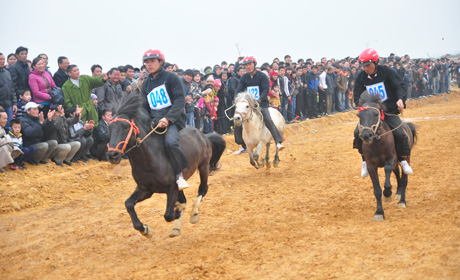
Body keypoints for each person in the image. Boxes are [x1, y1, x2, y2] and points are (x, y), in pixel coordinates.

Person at [353, 48, 413, 178]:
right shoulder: (360, 77)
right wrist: (363, 107)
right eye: (363, 65)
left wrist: (400, 99)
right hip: (371, 114)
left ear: (375, 62)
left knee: (400, 133)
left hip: (389, 110)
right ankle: (364, 160)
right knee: (357, 133)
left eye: (368, 65)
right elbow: (357, 95)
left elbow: (399, 86)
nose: (365, 68)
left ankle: (402, 160)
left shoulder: (387, 72)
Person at [140, 49, 191, 190]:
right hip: (154, 121)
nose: (149, 65)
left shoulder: (171, 78)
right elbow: (144, 105)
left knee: (170, 143)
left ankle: (180, 174)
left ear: (160, 62)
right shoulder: (145, 84)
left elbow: (180, 100)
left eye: (152, 61)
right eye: (146, 62)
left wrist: (168, 118)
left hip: (173, 120)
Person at [236, 56, 284, 151]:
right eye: (246, 65)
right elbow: (238, 90)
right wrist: (236, 99)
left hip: (261, 103)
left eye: (250, 64)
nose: (248, 66)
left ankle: (277, 141)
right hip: (248, 105)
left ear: (254, 64)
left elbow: (266, 89)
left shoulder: (262, 76)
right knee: (237, 119)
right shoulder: (244, 78)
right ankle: (243, 144)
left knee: (268, 119)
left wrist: (260, 99)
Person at [0, 52, 17, 132]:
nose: (2, 61)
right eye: (0, 59)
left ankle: (10, 143)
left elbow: (12, 89)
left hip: (9, 105)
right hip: (0, 105)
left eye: (3, 59)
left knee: (9, 127)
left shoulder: (7, 72)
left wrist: (14, 103)